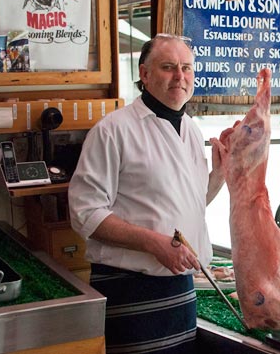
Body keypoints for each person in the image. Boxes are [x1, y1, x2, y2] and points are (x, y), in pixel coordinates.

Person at [68, 34, 225, 353]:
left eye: (186, 67)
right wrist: (155, 243)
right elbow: (86, 214)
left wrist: (220, 174)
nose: (180, 76)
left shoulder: (191, 130)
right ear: (145, 74)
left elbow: (188, 204)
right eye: (168, 67)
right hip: (130, 289)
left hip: (181, 292)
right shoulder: (113, 130)